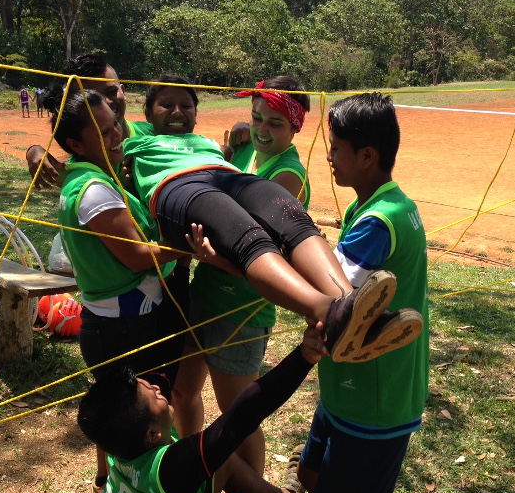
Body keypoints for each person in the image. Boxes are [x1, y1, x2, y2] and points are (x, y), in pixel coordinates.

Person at [121, 76, 423, 362]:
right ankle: (329, 311)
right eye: (166, 105)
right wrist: (114, 92)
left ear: (197, 113)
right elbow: (101, 120)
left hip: (222, 176)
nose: (177, 111)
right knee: (249, 235)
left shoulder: (207, 143)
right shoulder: (137, 133)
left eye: (186, 106)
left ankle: (354, 310)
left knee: (294, 219)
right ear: (146, 112)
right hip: (176, 186)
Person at [172, 76, 312, 493]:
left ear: (294, 128)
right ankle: (194, 476)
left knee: (240, 414)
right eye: (256, 118)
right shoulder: (247, 154)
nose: (261, 130)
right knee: (182, 391)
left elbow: (264, 251)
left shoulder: (287, 176)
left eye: (274, 122)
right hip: (204, 293)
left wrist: (214, 257)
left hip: (242, 308)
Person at [293, 93, 430, 493]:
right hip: (351, 394)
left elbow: (327, 299)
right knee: (312, 477)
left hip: (372, 402)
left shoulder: (376, 222)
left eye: (336, 146)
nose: (327, 155)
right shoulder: (388, 204)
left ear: (366, 156)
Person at [77, 326, 330, 493]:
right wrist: (304, 356)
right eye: (154, 395)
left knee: (222, 460)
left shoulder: (118, 450)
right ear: (152, 434)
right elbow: (243, 416)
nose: (157, 387)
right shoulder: (170, 471)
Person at [51, 85, 188, 493]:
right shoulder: (92, 189)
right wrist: (188, 249)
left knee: (130, 424)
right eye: (106, 132)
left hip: (121, 322)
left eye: (116, 125)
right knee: (141, 424)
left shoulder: (91, 173)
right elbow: (134, 257)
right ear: (75, 144)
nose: (118, 138)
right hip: (122, 328)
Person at [26, 53, 153, 190]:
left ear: (123, 91)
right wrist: (33, 151)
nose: (105, 103)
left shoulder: (156, 133)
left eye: (111, 92)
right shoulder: (81, 170)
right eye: (91, 99)